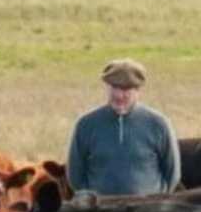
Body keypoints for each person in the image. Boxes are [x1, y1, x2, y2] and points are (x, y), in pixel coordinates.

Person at [66, 58, 181, 197]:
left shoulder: (159, 124)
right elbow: (75, 176)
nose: (119, 95)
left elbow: (172, 174)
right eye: (115, 88)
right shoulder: (86, 125)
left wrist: (155, 205)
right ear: (107, 87)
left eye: (126, 89)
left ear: (138, 90)